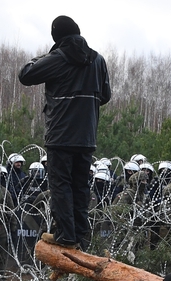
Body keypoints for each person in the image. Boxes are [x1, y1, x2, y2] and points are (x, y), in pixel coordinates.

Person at [18, 15, 111, 250]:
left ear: (56, 37)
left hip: (61, 135)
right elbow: (106, 96)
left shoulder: (59, 58)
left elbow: (26, 74)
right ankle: (81, 234)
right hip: (87, 136)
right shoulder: (97, 59)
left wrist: (46, 56)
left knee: (61, 185)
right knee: (80, 187)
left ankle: (66, 235)